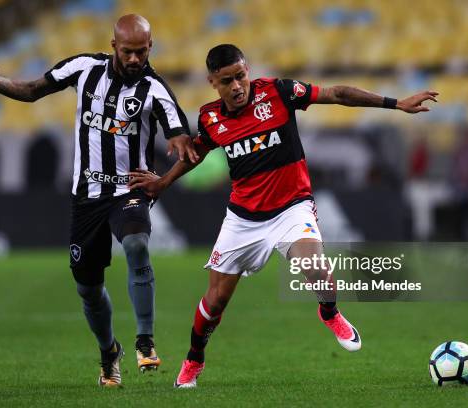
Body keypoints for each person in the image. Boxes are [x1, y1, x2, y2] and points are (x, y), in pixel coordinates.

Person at [129, 44, 438, 388]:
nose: (236, 86)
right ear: (212, 82)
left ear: (248, 71)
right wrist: (163, 182)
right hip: (243, 218)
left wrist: (395, 103)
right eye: (227, 81)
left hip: (292, 207)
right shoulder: (210, 117)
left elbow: (337, 94)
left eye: (240, 76)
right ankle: (194, 359)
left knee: (316, 268)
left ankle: (330, 313)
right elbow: (196, 153)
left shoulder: (279, 92)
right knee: (215, 301)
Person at [0, 14, 197, 387]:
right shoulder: (83, 68)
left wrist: (174, 151)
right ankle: (108, 352)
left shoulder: (154, 88)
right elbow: (34, 90)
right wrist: (0, 84)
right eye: (128, 52)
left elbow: (180, 136)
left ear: (151, 48)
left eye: (141, 52)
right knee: (88, 288)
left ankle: (145, 340)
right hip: (87, 198)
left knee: (136, 244)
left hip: (130, 191)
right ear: (113, 46)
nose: (134, 59)